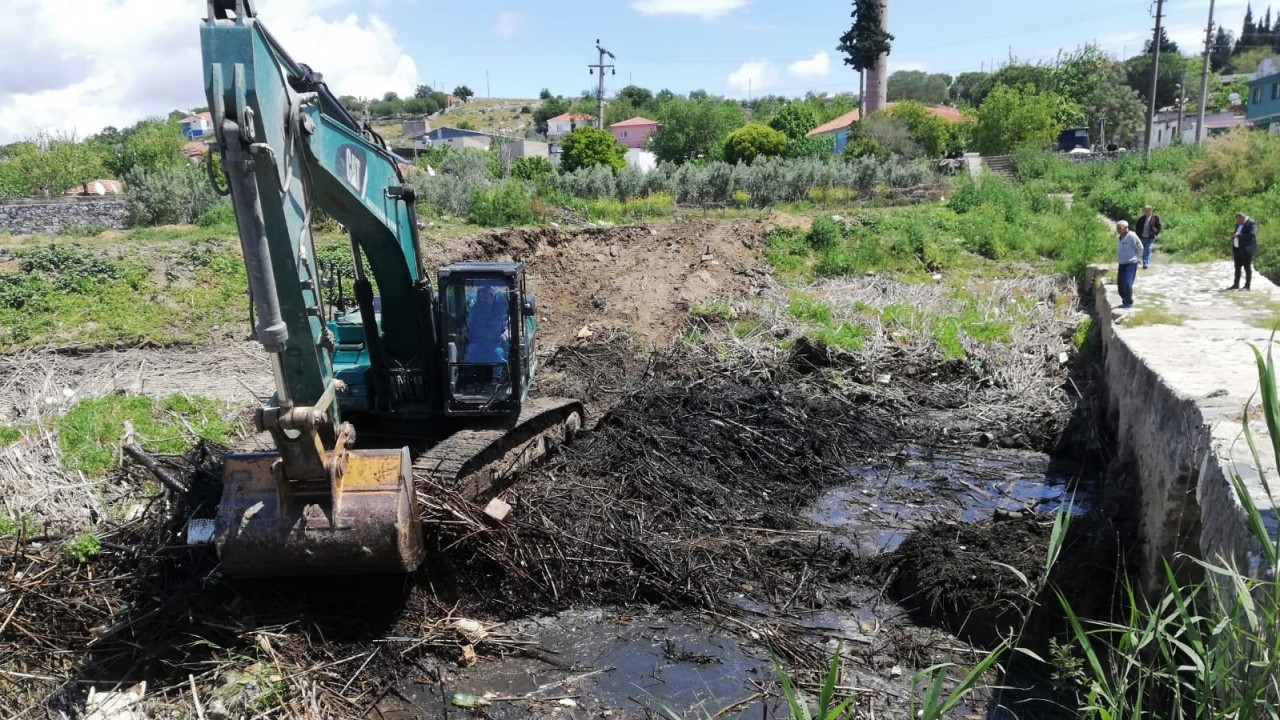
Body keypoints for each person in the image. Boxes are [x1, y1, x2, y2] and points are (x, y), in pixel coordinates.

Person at [464, 286, 509, 363]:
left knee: (498, 353)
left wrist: (504, 336)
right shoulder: (474, 312)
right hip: (477, 342)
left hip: (495, 343)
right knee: (471, 351)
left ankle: (497, 375)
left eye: (486, 297)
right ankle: (472, 374)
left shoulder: (501, 313)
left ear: (492, 298)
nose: (483, 300)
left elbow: (509, 329)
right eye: (482, 297)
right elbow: (468, 327)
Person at [1115, 220, 1143, 309]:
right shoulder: (1120, 237)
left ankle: (1128, 302)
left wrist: (1138, 258)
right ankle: (1124, 300)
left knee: (1127, 283)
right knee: (1120, 285)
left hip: (1130, 263)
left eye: (1120, 228)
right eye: (1117, 228)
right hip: (1122, 263)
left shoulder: (1132, 236)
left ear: (1126, 228)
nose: (1118, 230)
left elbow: (1140, 248)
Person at [1228, 212, 1259, 291]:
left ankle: (1247, 285)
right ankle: (1236, 284)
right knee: (1237, 267)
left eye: (1237, 220)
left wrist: (1239, 235)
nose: (1237, 222)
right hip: (1237, 248)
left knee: (1247, 267)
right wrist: (1233, 235)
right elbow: (1237, 232)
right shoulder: (1238, 224)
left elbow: (1252, 235)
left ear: (1241, 218)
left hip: (1246, 249)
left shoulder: (1251, 223)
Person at [1134, 205, 1162, 269]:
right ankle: (1140, 261)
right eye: (1145, 211)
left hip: (1150, 237)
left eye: (1147, 210)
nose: (1146, 212)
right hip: (1142, 237)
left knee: (1148, 249)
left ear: (1151, 211)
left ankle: (1145, 263)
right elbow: (1137, 227)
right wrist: (1137, 235)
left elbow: (1159, 226)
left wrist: (1155, 233)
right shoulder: (1141, 219)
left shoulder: (1155, 218)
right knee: (1142, 249)